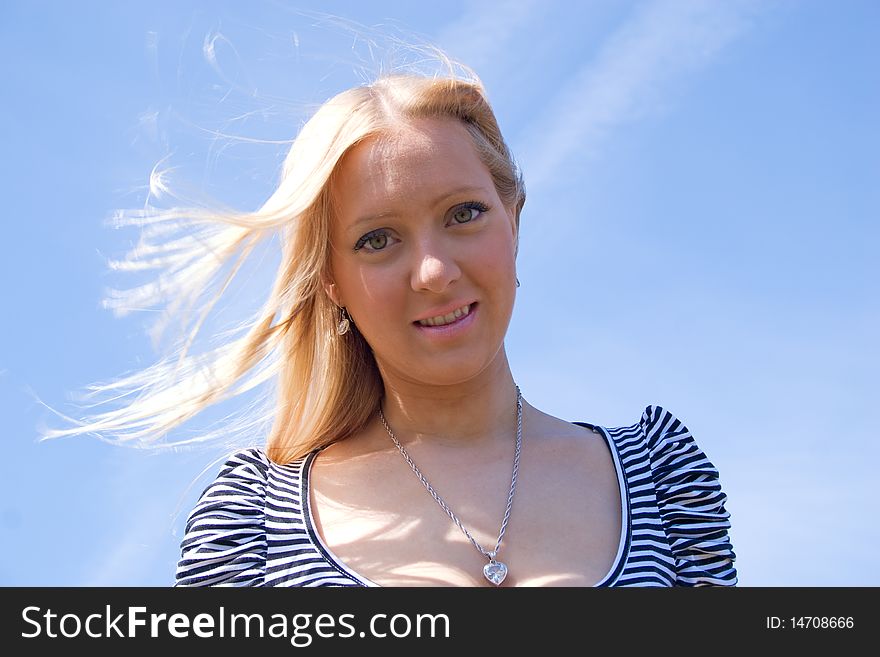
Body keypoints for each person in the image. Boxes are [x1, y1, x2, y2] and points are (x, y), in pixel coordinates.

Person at [43, 52, 736, 586]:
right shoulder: (252, 522)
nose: (433, 270)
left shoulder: (661, 480)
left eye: (463, 214)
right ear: (332, 281)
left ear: (513, 221)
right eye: (378, 239)